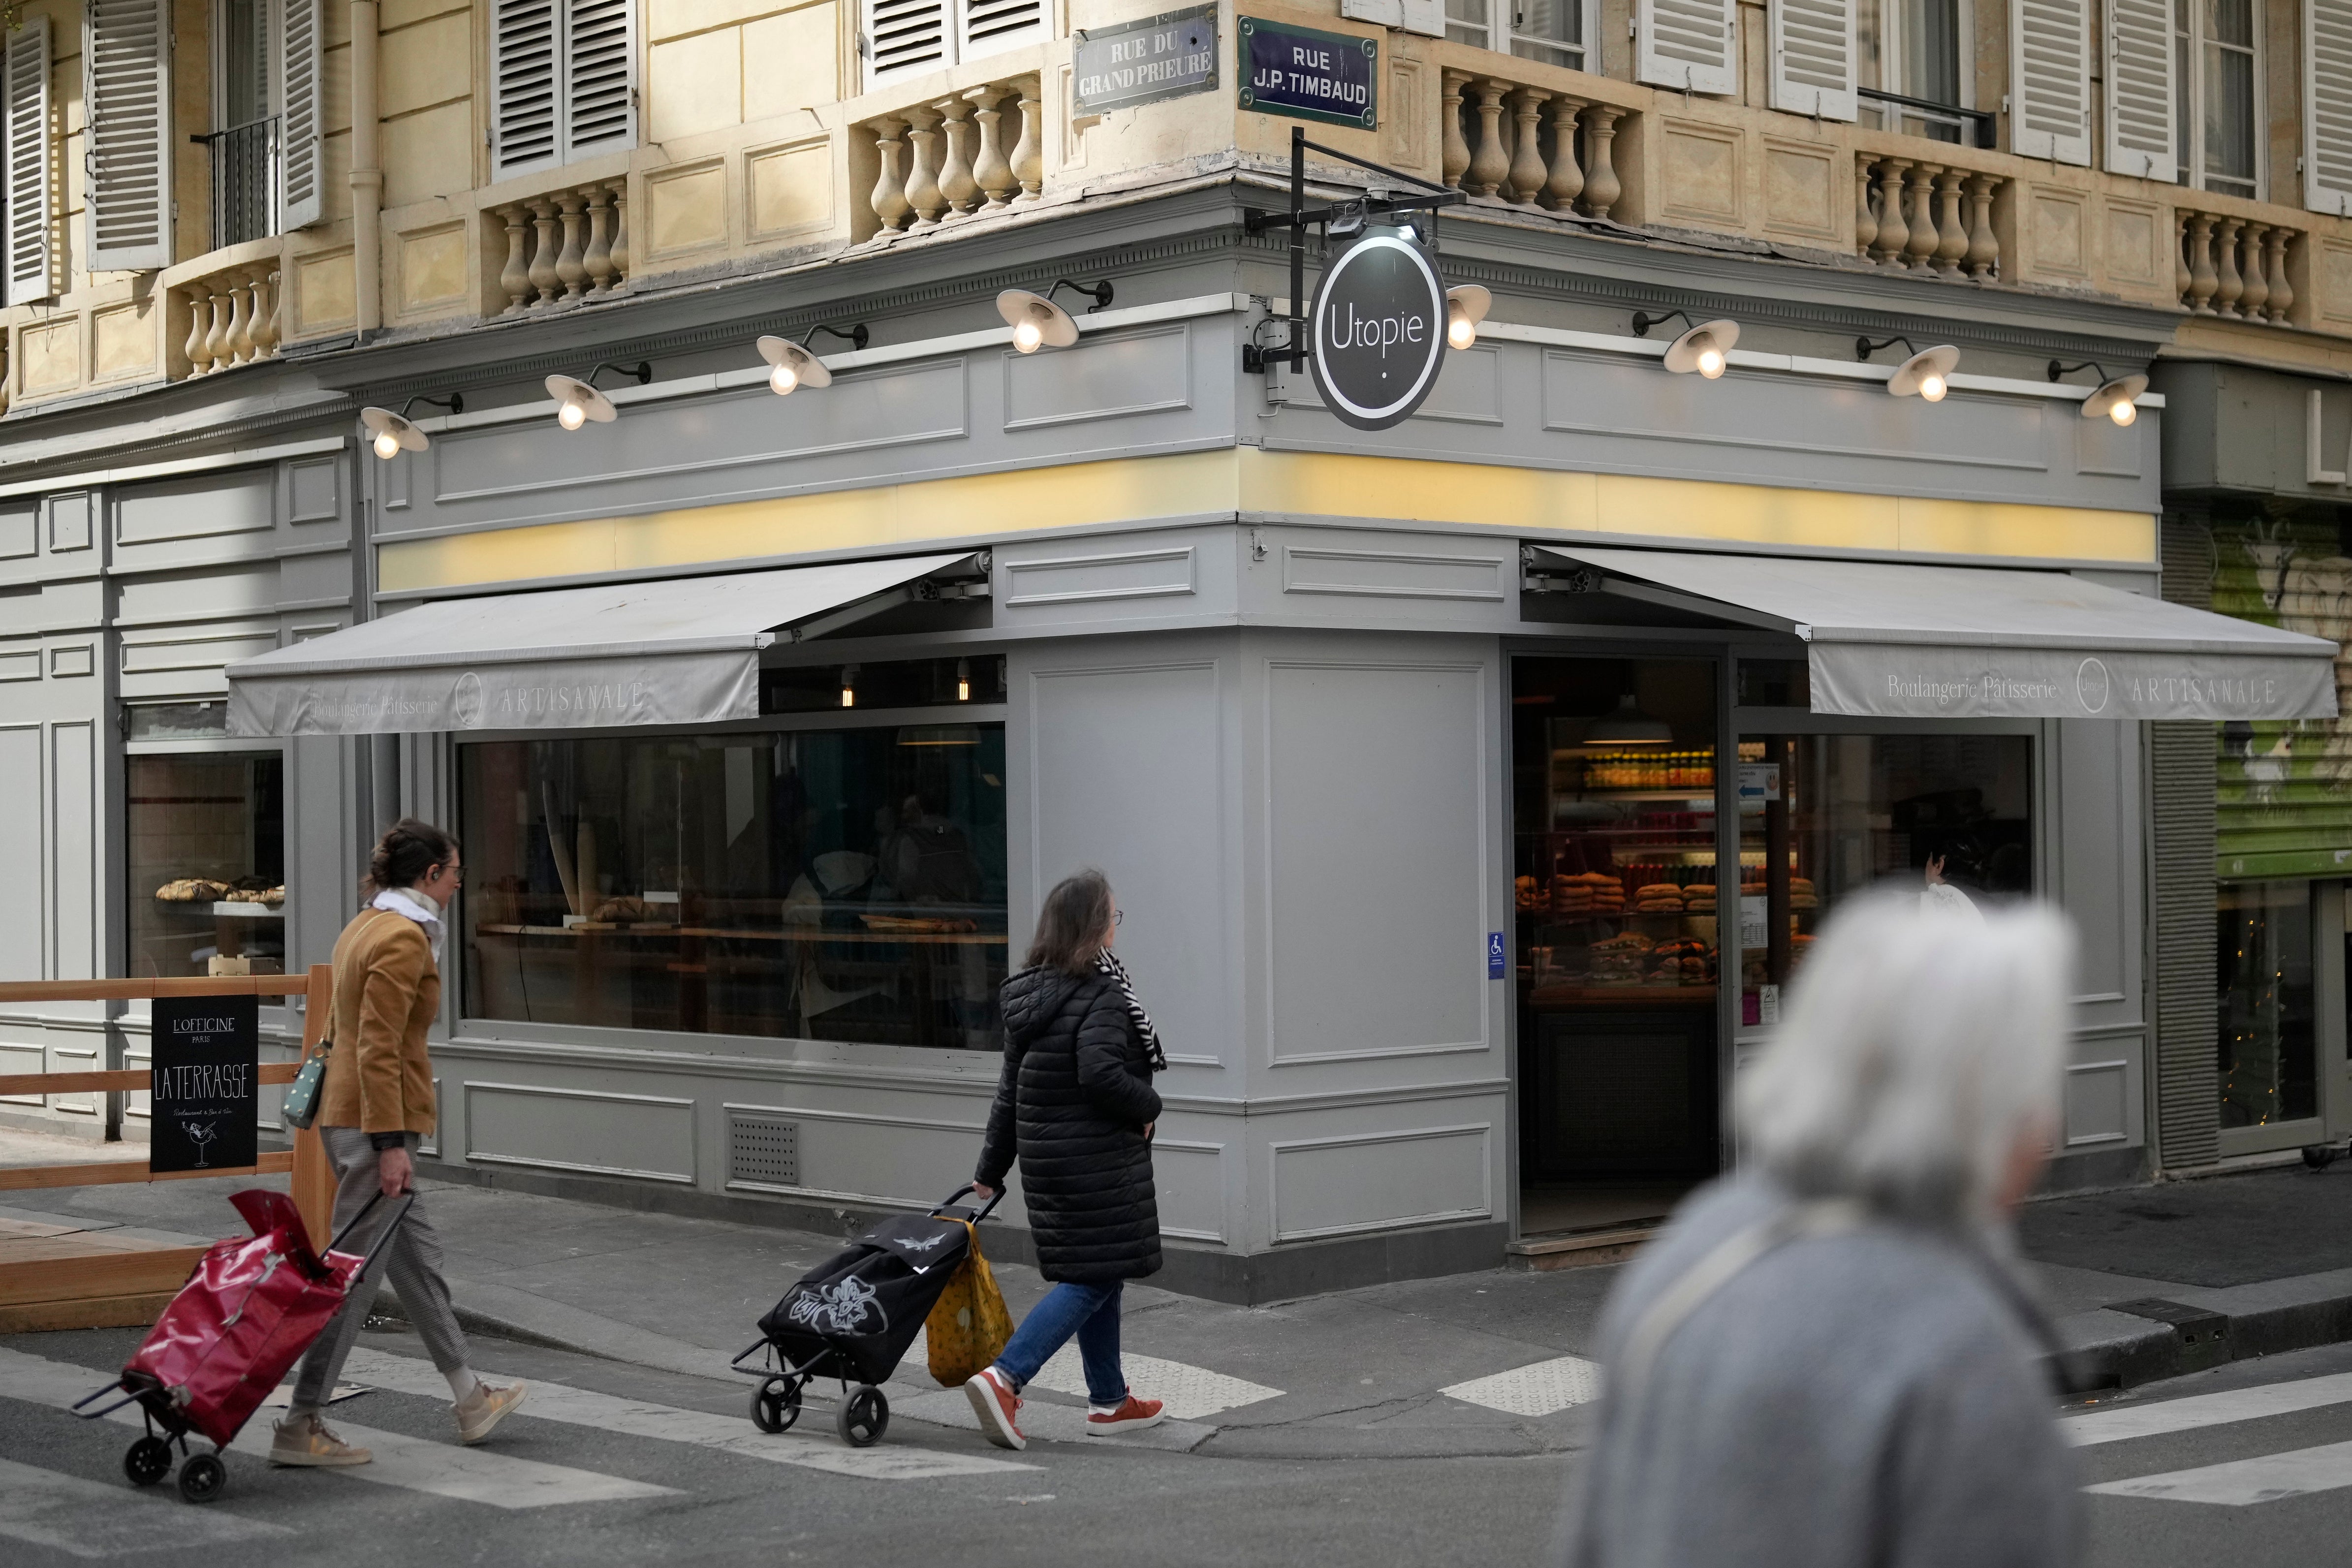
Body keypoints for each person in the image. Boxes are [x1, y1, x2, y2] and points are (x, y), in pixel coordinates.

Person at [1559, 889, 2082, 1568]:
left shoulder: (1689, 1252)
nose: (2043, 1127)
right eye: (2031, 1090)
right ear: (1973, 1100)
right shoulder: (1956, 1351)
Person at [271, 819, 527, 1467]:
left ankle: (470, 1396)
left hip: (348, 1111)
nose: (459, 882)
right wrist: (390, 1143)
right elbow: (381, 1045)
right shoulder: (404, 938)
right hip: (372, 1121)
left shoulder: (366, 924)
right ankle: (302, 1420)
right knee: (352, 1277)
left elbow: (345, 1028)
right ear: (429, 876)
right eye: (455, 871)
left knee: (417, 1261)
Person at [964, 869, 1169, 1448]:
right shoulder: (1102, 993)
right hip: (1096, 1160)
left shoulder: (1030, 994)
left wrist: (989, 1168)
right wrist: (1149, 1104)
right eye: (1113, 916)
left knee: (1100, 1268)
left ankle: (1109, 1399)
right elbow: (1101, 1073)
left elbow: (1010, 1091)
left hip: (1049, 1161)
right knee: (1093, 1276)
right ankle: (1006, 1377)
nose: (1115, 927)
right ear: (1094, 926)